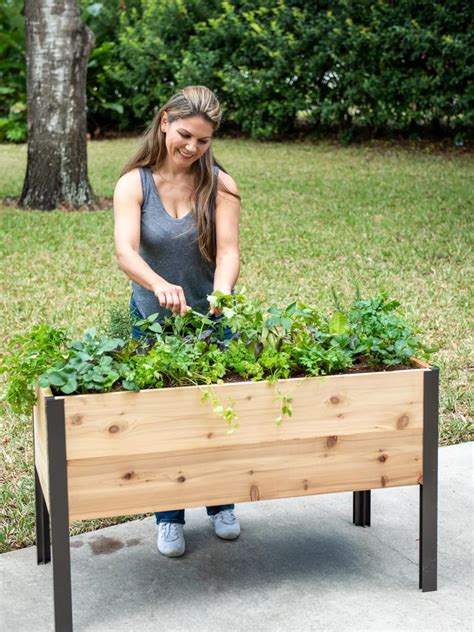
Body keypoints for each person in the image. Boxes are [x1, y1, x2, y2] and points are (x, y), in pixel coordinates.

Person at [113, 85, 241, 557]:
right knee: (165, 420)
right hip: (151, 319)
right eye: (185, 135)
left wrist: (222, 292)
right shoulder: (134, 183)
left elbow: (228, 252)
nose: (192, 148)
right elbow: (126, 252)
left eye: (204, 141)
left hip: (210, 319)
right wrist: (159, 284)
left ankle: (221, 504)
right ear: (165, 120)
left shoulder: (221, 184)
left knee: (218, 413)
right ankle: (168, 517)